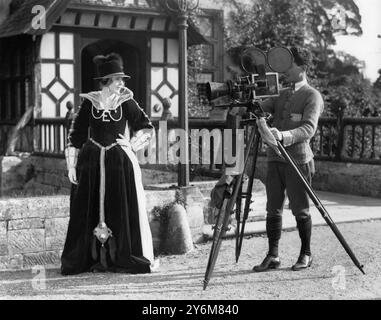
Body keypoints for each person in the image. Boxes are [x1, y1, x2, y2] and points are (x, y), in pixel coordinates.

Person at [61, 53, 157, 275]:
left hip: (119, 164)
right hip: (91, 163)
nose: (121, 84)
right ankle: (89, 258)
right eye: (117, 80)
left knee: (121, 207)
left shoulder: (126, 102)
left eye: (122, 80)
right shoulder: (89, 104)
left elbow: (146, 128)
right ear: (105, 81)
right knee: (86, 209)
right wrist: (72, 165)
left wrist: (132, 144)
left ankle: (120, 257)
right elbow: (74, 136)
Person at [253, 46, 324, 272]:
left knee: (300, 210)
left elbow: (308, 129)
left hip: (298, 160)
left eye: (289, 64)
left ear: (302, 68)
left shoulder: (312, 95)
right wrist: (251, 105)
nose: (284, 69)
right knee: (273, 208)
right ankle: (272, 256)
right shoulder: (281, 93)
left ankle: (306, 253)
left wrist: (283, 135)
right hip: (275, 159)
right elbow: (260, 110)